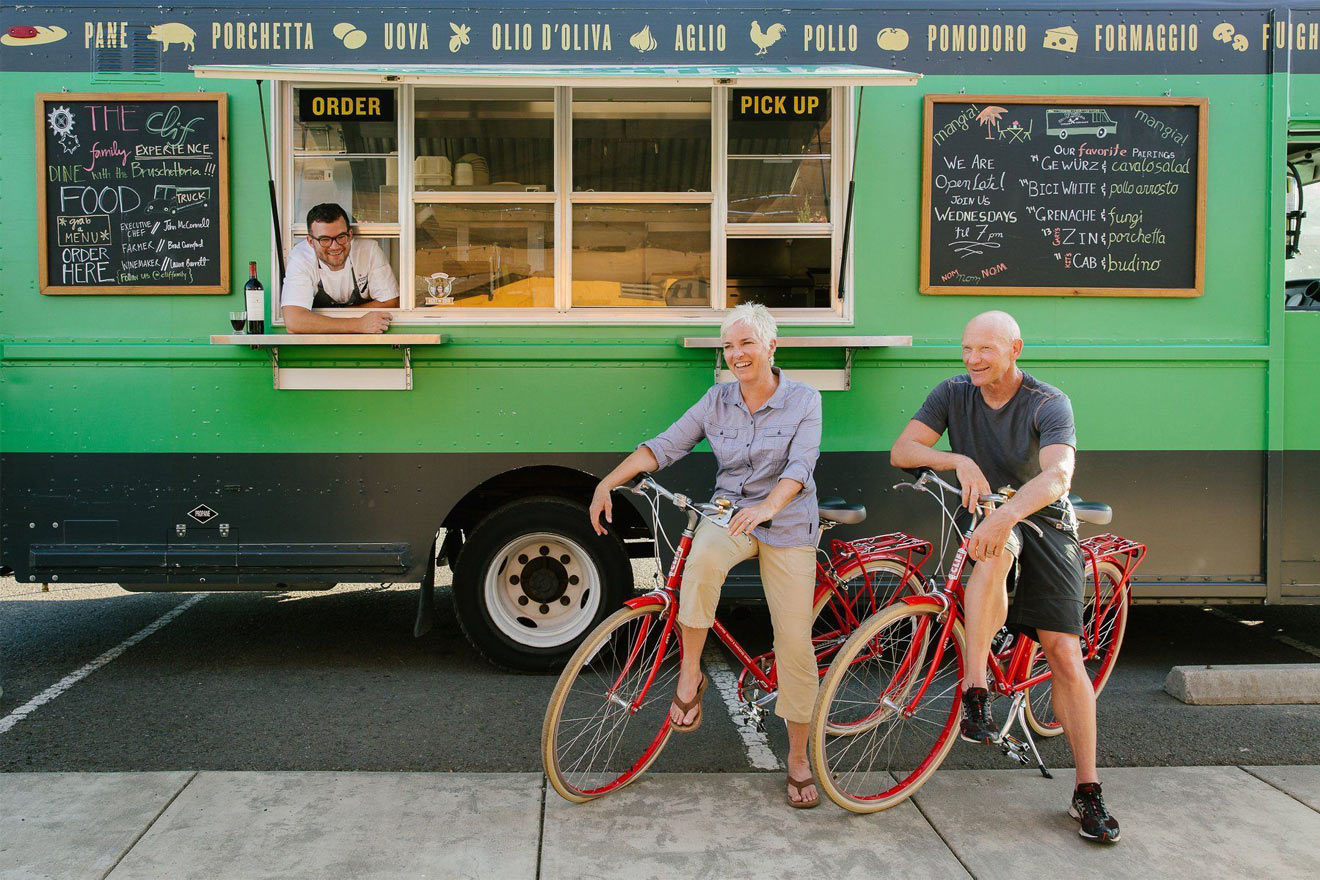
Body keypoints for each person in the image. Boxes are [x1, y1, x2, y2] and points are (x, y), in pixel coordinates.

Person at [890, 310, 1120, 844]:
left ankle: (1088, 789)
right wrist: (959, 459)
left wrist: (1005, 512)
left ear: (1015, 349)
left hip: (1045, 522)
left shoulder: (1047, 402)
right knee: (990, 555)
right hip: (991, 518)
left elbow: (1058, 475)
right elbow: (903, 450)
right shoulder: (953, 392)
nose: (972, 359)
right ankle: (976, 690)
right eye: (967, 348)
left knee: (1063, 652)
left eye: (985, 350)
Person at [588, 303, 824, 808]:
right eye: (729, 346)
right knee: (698, 567)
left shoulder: (805, 399)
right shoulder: (716, 400)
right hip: (730, 514)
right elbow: (665, 446)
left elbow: (802, 466)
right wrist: (609, 481)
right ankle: (691, 674)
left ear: (771, 347)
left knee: (794, 641)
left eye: (746, 344)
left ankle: (800, 757)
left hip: (787, 522)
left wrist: (766, 508)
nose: (736, 355)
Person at [281, 203, 399, 334]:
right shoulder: (301, 258)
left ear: (350, 234)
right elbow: (294, 321)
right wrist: (358, 324)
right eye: (325, 240)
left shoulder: (369, 250)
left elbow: (390, 302)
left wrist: (333, 317)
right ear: (310, 242)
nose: (335, 246)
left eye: (341, 237)